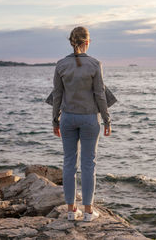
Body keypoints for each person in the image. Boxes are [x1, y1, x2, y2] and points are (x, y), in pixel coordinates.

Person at [52, 26, 111, 222]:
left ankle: (71, 210)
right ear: (87, 42)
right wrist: (107, 119)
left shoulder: (61, 65)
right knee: (88, 164)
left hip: (67, 118)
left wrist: (55, 120)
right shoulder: (95, 64)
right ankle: (87, 212)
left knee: (69, 163)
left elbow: (57, 96)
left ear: (71, 41)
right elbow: (100, 95)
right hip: (89, 119)